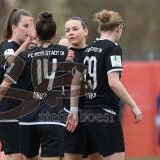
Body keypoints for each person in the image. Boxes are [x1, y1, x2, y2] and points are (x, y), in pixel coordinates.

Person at [0, 11, 81, 160]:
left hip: (27, 120)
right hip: (52, 117)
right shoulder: (64, 52)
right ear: (55, 32)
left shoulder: (24, 56)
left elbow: (5, 84)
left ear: (36, 32)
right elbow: (76, 76)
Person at [66, 10, 142, 160]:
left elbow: (75, 80)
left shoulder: (88, 49)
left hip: (87, 115)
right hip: (105, 114)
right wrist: (134, 106)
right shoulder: (113, 48)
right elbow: (113, 82)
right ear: (119, 27)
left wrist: (73, 110)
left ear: (100, 28)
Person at [0, 8, 35, 160]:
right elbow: (11, 62)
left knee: (13, 154)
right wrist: (27, 45)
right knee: (16, 155)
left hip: (23, 111)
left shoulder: (26, 49)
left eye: (32, 26)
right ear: (13, 27)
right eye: (25, 26)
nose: (29, 31)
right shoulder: (7, 46)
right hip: (8, 110)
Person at [63, 17, 103, 160]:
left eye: (75, 29)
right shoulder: (63, 55)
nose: (70, 33)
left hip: (93, 116)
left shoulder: (95, 53)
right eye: (67, 30)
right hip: (70, 117)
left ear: (85, 31)